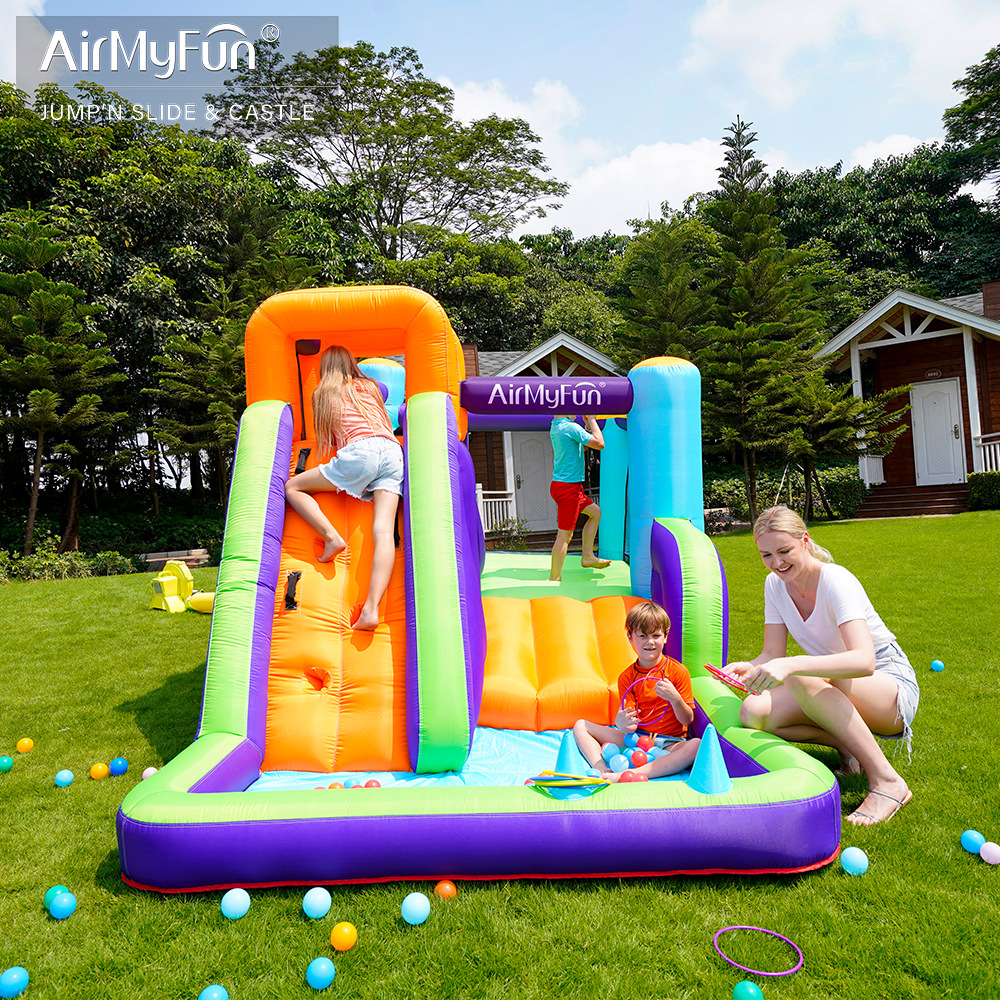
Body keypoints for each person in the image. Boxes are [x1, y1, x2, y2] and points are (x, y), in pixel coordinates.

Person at [723, 505, 918, 827]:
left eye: (784, 551)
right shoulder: (774, 585)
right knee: (753, 713)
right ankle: (848, 745)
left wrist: (794, 664)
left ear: (804, 540)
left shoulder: (835, 580)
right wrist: (749, 666)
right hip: (833, 681)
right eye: (766, 555)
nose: (777, 563)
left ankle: (887, 781)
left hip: (888, 685)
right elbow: (772, 653)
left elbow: (864, 661)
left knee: (800, 676)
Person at [284, 345, 404, 631]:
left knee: (293, 488)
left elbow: (331, 438)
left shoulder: (324, 393)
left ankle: (331, 537)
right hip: (392, 452)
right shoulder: (370, 387)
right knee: (383, 532)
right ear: (352, 363)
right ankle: (371, 609)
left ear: (325, 368)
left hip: (362, 452)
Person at [573, 600, 701, 782]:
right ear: (630, 637)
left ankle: (625, 775)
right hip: (635, 740)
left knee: (696, 746)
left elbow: (687, 720)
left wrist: (675, 699)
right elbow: (630, 726)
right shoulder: (627, 677)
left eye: (656, 635)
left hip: (669, 743)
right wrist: (621, 723)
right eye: (642, 636)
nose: (650, 642)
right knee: (580, 725)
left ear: (665, 637)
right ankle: (601, 768)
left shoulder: (677, 672)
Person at [548, 414, 612, 581]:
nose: (576, 413)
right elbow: (599, 444)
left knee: (595, 512)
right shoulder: (570, 427)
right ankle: (554, 578)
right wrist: (592, 420)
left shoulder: (557, 426)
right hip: (568, 488)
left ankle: (587, 556)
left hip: (565, 486)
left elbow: (580, 447)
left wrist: (587, 428)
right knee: (564, 536)